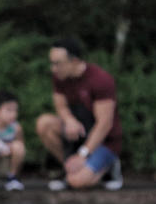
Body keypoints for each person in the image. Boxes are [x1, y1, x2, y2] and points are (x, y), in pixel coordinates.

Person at [35, 38, 124, 191]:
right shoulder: (60, 77)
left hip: (104, 141)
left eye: (58, 63)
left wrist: (83, 154)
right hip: (79, 135)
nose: (53, 69)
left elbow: (105, 124)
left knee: (76, 182)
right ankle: (71, 168)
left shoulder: (100, 80)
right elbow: (60, 105)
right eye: (52, 63)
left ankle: (109, 168)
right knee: (44, 124)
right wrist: (69, 120)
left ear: (74, 61)